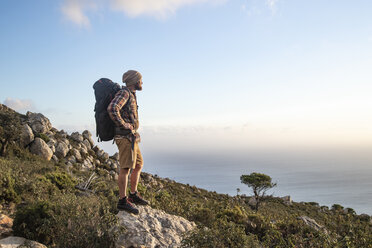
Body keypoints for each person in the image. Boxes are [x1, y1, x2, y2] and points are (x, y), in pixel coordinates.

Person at [107, 70, 149, 215]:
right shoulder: (124, 93)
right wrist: (123, 124)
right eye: (140, 80)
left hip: (131, 137)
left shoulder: (131, 94)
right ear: (134, 81)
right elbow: (112, 108)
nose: (142, 82)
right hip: (124, 138)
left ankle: (133, 194)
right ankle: (122, 201)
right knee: (125, 169)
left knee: (138, 164)